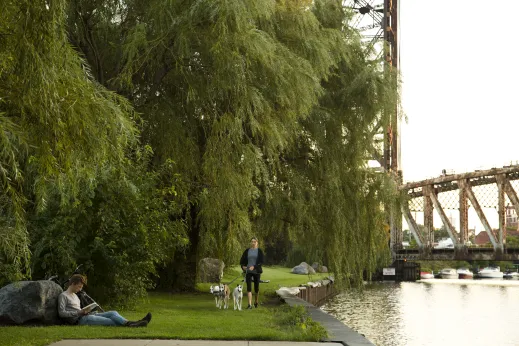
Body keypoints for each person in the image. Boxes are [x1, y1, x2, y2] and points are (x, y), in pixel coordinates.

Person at [58, 274, 151, 327]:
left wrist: (85, 311)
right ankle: (134, 324)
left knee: (113, 313)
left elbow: (78, 310)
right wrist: (79, 312)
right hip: (80, 320)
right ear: (73, 284)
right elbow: (61, 313)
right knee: (110, 321)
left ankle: (133, 323)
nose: (80, 289)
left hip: (86, 316)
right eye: (79, 286)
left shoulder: (75, 296)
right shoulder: (63, 296)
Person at [240, 237, 264, 309]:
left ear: (257, 243)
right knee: (249, 288)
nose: (253, 243)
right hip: (248, 271)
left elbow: (261, 261)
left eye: (254, 242)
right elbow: (242, 260)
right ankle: (249, 305)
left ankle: (256, 301)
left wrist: (254, 266)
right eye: (252, 242)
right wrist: (243, 266)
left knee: (256, 288)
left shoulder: (259, 251)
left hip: (256, 271)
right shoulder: (247, 251)